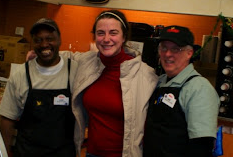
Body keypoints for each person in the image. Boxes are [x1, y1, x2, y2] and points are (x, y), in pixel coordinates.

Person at [27, 10, 159, 157]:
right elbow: (69, 56)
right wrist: (42, 53)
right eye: (101, 33)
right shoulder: (88, 62)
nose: (106, 39)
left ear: (124, 37)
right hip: (91, 153)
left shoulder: (145, 75)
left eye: (113, 33)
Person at [0, 18, 78, 157]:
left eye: (49, 39)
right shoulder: (21, 74)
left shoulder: (75, 71)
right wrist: (2, 153)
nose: (44, 44)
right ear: (33, 43)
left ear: (59, 40)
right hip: (27, 152)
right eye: (38, 40)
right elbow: (7, 119)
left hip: (64, 153)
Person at [143, 25, 220, 157]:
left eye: (175, 49)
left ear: (189, 53)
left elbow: (202, 145)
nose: (167, 54)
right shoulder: (159, 81)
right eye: (164, 48)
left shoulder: (198, 88)